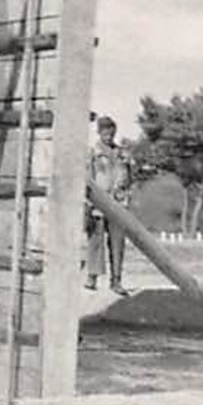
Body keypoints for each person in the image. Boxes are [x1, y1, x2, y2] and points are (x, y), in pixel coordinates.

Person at [84, 115, 135, 295]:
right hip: (98, 201)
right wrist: (87, 204)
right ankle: (92, 277)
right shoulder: (92, 153)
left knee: (117, 243)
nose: (108, 135)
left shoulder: (123, 154)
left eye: (111, 131)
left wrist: (127, 196)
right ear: (99, 133)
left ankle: (116, 280)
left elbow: (129, 179)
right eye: (104, 131)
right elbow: (87, 178)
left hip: (118, 203)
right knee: (95, 241)